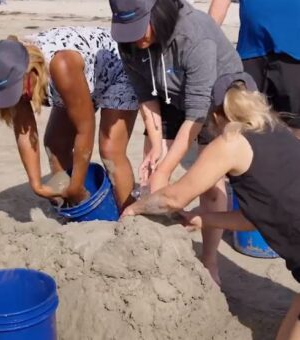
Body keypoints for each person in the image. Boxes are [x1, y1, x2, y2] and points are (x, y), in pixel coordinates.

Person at [122, 71, 300, 340]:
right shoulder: (277, 130)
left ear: (216, 114)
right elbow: (257, 218)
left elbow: (173, 198)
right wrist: (203, 219)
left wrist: (136, 207)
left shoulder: (231, 142)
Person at [109, 0, 243, 284]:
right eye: (127, 29)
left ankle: (210, 260)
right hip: (168, 93)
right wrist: (157, 146)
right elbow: (145, 94)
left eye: (139, 27)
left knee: (209, 181)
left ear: (158, 12)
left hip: (214, 97)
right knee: (153, 172)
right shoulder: (129, 40)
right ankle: (161, 249)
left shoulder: (195, 36)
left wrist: (166, 169)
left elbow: (196, 114)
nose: (135, 37)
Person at [0, 27, 139, 210]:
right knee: (55, 143)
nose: (18, 96)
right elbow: (25, 132)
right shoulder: (12, 76)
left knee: (110, 150)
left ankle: (128, 213)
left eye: (19, 89)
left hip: (117, 67)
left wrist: (76, 185)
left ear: (31, 70)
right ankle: (76, 207)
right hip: (82, 77)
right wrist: (36, 185)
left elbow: (85, 128)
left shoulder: (61, 64)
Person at [209, 0, 300, 138]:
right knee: (243, 118)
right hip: (251, 50)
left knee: (295, 121)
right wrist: (206, 39)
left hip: (294, 51)